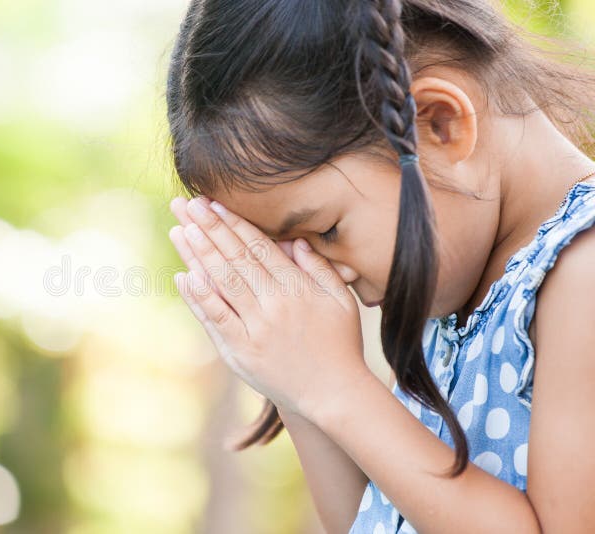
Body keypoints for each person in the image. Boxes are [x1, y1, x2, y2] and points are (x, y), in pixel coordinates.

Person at [164, 0, 595, 532]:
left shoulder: (582, 273)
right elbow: (377, 519)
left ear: (438, 124)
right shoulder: (452, 296)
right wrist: (297, 387)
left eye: (325, 231)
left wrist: (336, 387)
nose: (325, 272)